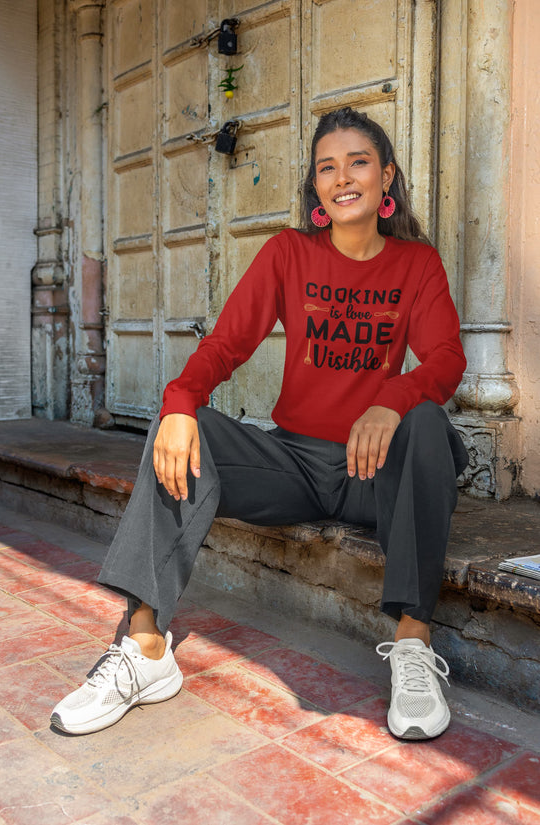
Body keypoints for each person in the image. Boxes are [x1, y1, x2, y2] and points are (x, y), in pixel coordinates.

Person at [51, 107, 468, 740]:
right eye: (327, 167)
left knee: (429, 423)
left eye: (359, 162)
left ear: (386, 178)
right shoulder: (288, 253)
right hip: (294, 465)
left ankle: (412, 645)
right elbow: (226, 344)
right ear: (316, 189)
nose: (343, 177)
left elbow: (445, 359)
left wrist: (393, 399)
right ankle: (145, 649)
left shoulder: (417, 264)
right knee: (182, 426)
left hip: (374, 472)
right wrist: (180, 400)